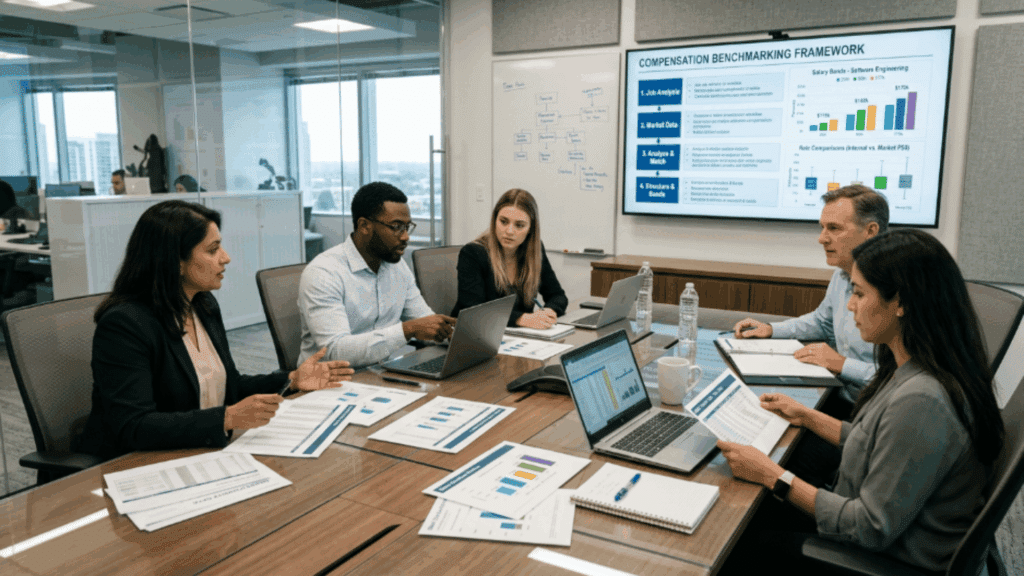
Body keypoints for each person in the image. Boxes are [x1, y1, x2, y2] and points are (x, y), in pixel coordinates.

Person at [717, 229, 1004, 575]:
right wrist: (807, 416)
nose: (850, 305)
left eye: (858, 293)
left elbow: (868, 527)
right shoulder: (919, 367)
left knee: (733, 533)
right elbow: (882, 443)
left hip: (882, 560)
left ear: (901, 303)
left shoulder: (923, 401)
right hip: (886, 531)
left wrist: (772, 474)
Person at [80, 200, 354, 461]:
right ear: (175, 261)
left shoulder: (203, 305)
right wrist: (225, 418)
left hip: (199, 450)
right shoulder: (125, 325)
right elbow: (133, 426)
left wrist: (291, 380)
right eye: (213, 250)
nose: (226, 258)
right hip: (137, 463)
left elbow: (229, 384)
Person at [732, 185, 889, 419]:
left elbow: (904, 381)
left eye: (834, 228)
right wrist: (772, 330)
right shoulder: (842, 274)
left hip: (878, 414)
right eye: (822, 228)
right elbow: (822, 322)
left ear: (871, 231)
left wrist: (841, 363)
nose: (822, 238)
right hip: (838, 399)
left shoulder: (896, 289)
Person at [297, 181, 456, 368]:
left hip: (381, 374)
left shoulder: (397, 267)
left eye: (407, 227)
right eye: (396, 226)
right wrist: (409, 329)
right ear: (364, 225)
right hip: (329, 382)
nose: (405, 237)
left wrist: (458, 336)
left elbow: (424, 320)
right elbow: (335, 351)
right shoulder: (324, 273)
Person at [452, 189, 568, 328]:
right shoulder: (473, 253)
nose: (509, 231)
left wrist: (549, 311)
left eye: (519, 225)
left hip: (517, 338)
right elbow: (475, 311)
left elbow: (557, 296)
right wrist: (522, 319)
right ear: (495, 220)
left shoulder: (534, 251)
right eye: (503, 221)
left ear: (531, 228)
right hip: (473, 336)